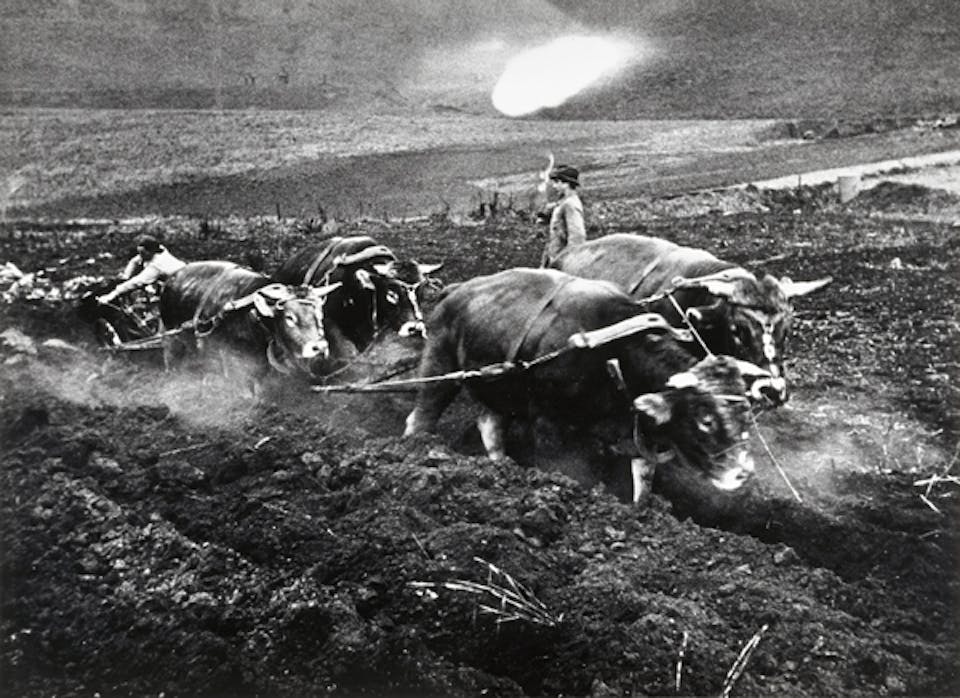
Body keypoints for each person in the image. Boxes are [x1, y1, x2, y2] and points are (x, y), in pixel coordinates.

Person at [97, 235, 185, 305]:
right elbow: (135, 261)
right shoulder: (158, 250)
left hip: (181, 283)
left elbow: (137, 282)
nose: (140, 256)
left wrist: (112, 294)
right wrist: (126, 275)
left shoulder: (156, 265)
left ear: (152, 251)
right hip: (179, 275)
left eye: (143, 253)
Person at [539, 164, 586, 268]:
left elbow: (577, 237)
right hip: (555, 259)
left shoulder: (570, 204)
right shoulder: (563, 203)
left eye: (557, 182)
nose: (554, 186)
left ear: (566, 184)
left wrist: (569, 262)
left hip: (563, 264)